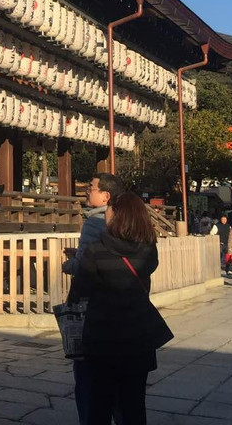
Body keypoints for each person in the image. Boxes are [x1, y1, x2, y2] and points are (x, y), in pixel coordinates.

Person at [69, 192, 173, 425]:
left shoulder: (96, 250)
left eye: (108, 212)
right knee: (134, 404)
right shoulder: (148, 250)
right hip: (138, 337)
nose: (105, 216)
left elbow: (79, 293)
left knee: (99, 404)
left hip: (102, 337)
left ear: (117, 215)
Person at [62, 172, 126, 424]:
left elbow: (85, 267)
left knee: (87, 379)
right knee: (119, 386)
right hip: (120, 312)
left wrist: (70, 264)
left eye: (91, 188)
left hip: (91, 308)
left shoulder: (93, 223)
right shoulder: (125, 223)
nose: (87, 192)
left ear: (106, 196)